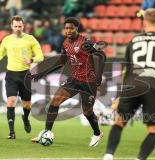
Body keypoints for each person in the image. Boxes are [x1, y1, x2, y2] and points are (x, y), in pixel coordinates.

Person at [103, 8, 155, 160]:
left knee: (119, 122)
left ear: (144, 22)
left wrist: (120, 96)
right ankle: (139, 158)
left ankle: (108, 155)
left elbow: (126, 72)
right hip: (152, 87)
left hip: (132, 86)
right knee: (154, 130)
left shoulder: (133, 41)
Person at [31, 17, 106, 147]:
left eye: (71, 28)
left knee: (87, 111)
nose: (68, 30)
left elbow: (102, 55)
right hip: (74, 79)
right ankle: (46, 132)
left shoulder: (85, 42)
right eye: (66, 28)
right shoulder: (65, 42)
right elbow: (61, 61)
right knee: (54, 102)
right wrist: (43, 73)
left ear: (76, 28)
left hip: (88, 82)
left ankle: (97, 133)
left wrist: (98, 77)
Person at [0, 16, 44, 139]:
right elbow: (1, 53)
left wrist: (31, 59)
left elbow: (40, 55)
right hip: (11, 75)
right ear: (11, 27)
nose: (18, 28)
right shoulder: (7, 40)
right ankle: (12, 132)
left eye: (20, 26)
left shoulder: (31, 39)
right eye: (15, 26)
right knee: (11, 101)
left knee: (27, 105)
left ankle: (25, 118)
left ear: (23, 26)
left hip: (25, 75)